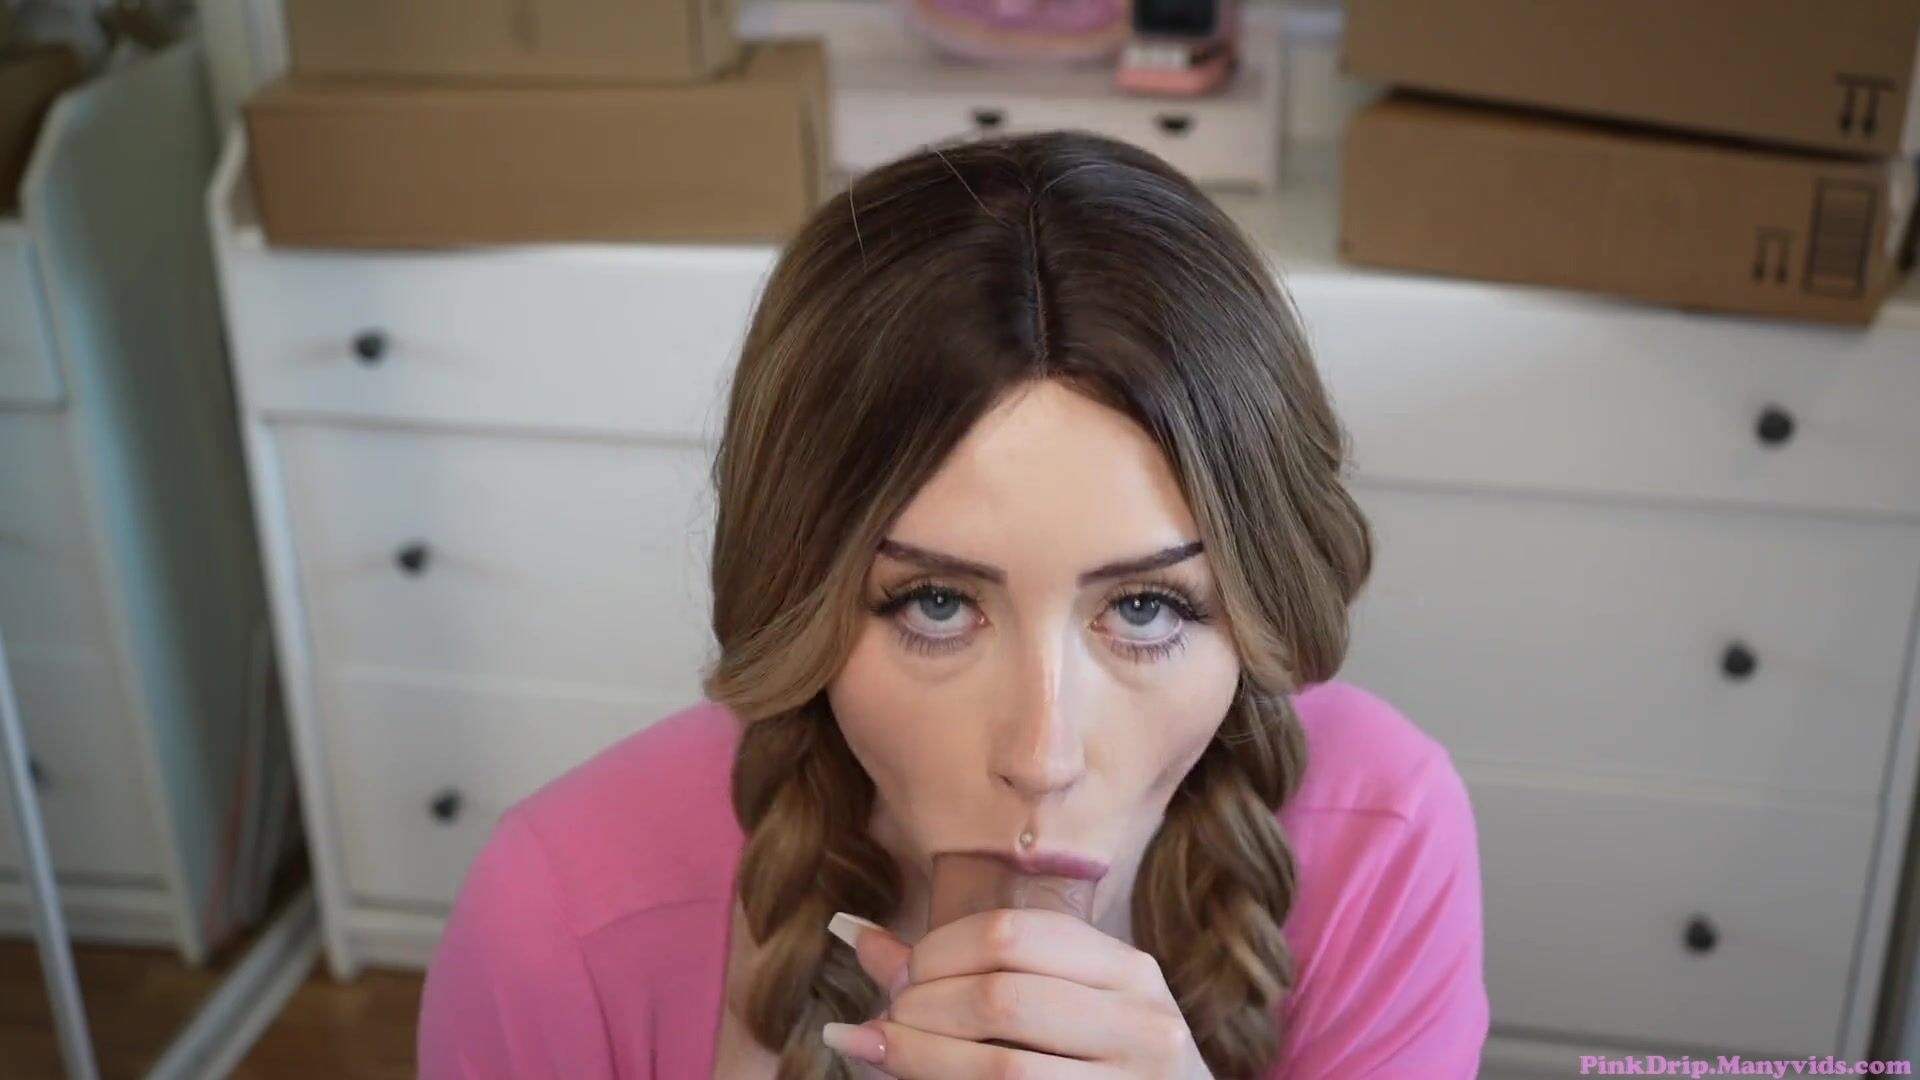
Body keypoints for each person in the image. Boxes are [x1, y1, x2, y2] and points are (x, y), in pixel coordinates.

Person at [416, 130, 1488, 1079]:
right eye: (935, 603)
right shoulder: (559, 912)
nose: (1041, 756)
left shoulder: (1382, 838)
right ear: (797, 595)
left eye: (1147, 609)